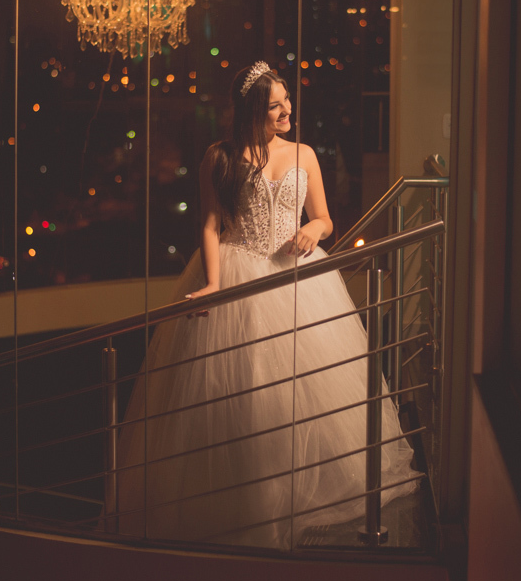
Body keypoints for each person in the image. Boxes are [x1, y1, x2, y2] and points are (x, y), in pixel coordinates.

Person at [114, 62, 418, 548]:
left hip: (299, 278)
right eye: (275, 105)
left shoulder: (304, 153)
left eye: (286, 100)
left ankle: (300, 502)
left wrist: (312, 230)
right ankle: (250, 511)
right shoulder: (220, 157)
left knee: (302, 394)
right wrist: (215, 283)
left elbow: (326, 219)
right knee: (244, 398)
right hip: (238, 273)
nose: (287, 110)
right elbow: (210, 225)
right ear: (252, 111)